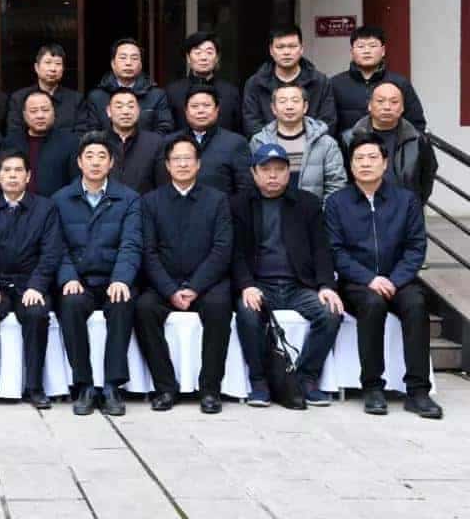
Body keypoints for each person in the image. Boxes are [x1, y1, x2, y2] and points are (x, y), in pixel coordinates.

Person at [325, 133, 442, 419]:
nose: (366, 164)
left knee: (416, 304)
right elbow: (335, 250)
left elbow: (416, 247)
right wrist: (369, 279)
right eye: (359, 158)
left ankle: (418, 391)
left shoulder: (406, 200)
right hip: (357, 283)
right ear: (350, 165)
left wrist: (395, 279)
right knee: (372, 304)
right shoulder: (337, 202)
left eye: (372, 157)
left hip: (398, 279)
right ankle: (373, 387)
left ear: (385, 163)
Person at [232, 144, 343, 408]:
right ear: (254, 173)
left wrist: (326, 285)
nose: (273, 175)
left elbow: (321, 249)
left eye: (279, 169)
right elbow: (234, 252)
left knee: (331, 312)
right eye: (266, 170)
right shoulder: (238, 204)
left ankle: (305, 378)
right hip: (260, 285)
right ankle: (259, 381)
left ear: (289, 172)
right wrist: (246, 285)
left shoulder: (307, 204)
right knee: (247, 314)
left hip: (298, 285)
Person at [135, 137, 233, 414]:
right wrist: (169, 290)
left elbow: (222, 249)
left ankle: (210, 389)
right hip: (165, 283)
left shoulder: (217, 200)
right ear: (167, 165)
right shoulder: (151, 202)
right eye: (176, 159)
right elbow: (149, 252)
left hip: (206, 284)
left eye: (187, 158)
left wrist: (195, 287)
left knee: (219, 307)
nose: (182, 164)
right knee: (143, 309)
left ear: (198, 164)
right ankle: (165, 387)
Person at [52, 133, 141, 416]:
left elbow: (131, 244)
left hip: (113, 278)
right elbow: (57, 246)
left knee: (122, 302)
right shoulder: (61, 199)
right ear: (79, 162)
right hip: (79, 280)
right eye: (89, 156)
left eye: (102, 156)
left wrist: (121, 278)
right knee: (70, 303)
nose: (95, 162)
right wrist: (68, 277)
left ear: (111, 163)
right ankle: (85, 385)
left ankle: (113, 385)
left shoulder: (128, 199)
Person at [0, 150, 64, 410]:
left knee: (37, 314)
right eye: (7, 171)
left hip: (29, 283)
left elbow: (51, 253)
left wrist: (37, 286)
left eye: (18, 170)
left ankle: (35, 387)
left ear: (28, 176)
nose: (13, 176)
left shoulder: (45, 208)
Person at [340, 81, 437, 204]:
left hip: (405, 209)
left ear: (402, 107)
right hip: (360, 208)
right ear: (370, 105)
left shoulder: (418, 141)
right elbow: (343, 179)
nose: (387, 107)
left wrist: (413, 204)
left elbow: (427, 178)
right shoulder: (348, 139)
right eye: (380, 101)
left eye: (394, 102)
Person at [249, 84, 346, 205]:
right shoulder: (259, 141)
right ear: (273, 108)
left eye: (295, 101)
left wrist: (321, 212)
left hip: (314, 212)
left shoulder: (325, 143)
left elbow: (336, 183)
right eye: (282, 101)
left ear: (305, 107)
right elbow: (251, 182)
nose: (289, 106)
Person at [242, 25, 337, 137]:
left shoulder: (320, 81)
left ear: (301, 49)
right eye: (280, 47)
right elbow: (252, 124)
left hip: (312, 144)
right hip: (268, 146)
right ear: (271, 50)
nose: (286, 52)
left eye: (292, 46)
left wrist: (302, 142)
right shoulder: (255, 83)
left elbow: (327, 122)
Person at [331, 26, 426, 135]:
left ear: (383, 51)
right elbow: (329, 124)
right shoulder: (335, 84)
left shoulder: (400, 83)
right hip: (348, 144)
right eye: (361, 46)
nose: (367, 51)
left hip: (391, 145)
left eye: (372, 46)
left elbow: (416, 124)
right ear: (352, 52)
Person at [170, 86, 251, 197]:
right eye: (194, 106)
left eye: (206, 105)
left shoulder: (236, 143)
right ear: (186, 111)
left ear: (217, 109)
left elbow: (245, 189)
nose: (201, 111)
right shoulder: (171, 142)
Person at [87, 38, 173, 134]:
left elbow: (165, 129)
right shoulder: (96, 97)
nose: (128, 63)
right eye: (123, 58)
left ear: (140, 65)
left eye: (134, 58)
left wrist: (146, 142)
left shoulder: (157, 95)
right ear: (113, 64)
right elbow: (92, 132)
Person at [6, 44, 94, 135]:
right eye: (48, 62)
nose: (53, 69)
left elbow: (81, 135)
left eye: (58, 64)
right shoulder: (19, 98)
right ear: (36, 67)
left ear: (63, 69)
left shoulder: (76, 100)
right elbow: (14, 134)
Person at [4, 90, 79, 197]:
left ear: (54, 112)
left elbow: (76, 183)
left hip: (56, 204)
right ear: (24, 115)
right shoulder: (11, 143)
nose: (40, 115)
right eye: (33, 111)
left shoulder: (70, 142)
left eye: (45, 110)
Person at [165, 32, 242, 133]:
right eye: (198, 52)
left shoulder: (231, 92)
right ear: (188, 58)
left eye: (209, 52)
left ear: (217, 58)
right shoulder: (173, 92)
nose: (203, 58)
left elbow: (238, 130)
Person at [104, 87, 164, 195]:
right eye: (119, 107)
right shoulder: (98, 142)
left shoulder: (155, 143)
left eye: (131, 106)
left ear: (139, 110)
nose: (125, 112)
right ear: (109, 111)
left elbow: (162, 186)